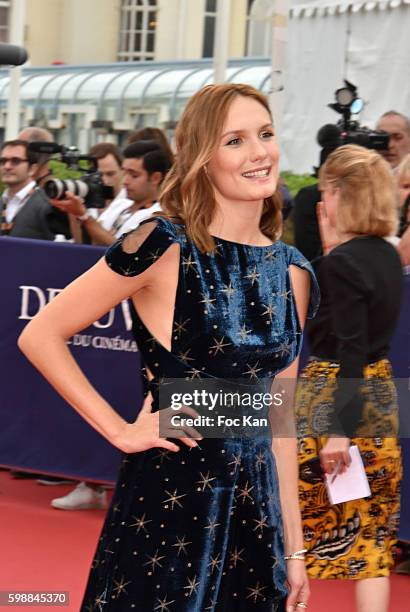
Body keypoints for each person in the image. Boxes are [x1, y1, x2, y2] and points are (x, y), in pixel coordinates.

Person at [18, 83, 319, 611]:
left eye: (266, 134)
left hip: (256, 518)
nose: (258, 153)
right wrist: (118, 429)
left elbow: (280, 422)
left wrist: (294, 550)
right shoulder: (163, 243)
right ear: (202, 158)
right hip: (172, 509)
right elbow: (40, 333)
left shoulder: (293, 269)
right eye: (235, 141)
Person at [295, 145, 403, 612]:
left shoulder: (343, 263)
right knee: (371, 537)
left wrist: (339, 432)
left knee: (295, 525)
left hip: (333, 404)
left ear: (341, 194)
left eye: (325, 192)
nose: (322, 204)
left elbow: (347, 348)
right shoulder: (387, 255)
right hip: (377, 399)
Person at [52, 140, 172, 246]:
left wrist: (85, 217)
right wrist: (74, 213)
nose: (125, 181)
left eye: (134, 175)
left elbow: (124, 252)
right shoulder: (120, 204)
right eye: (124, 173)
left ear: (156, 178)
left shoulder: (162, 215)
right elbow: (86, 243)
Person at [0, 139, 68, 240]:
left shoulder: (48, 205)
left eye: (16, 161)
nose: (7, 166)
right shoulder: (3, 201)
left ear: (33, 169)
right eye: (3, 161)